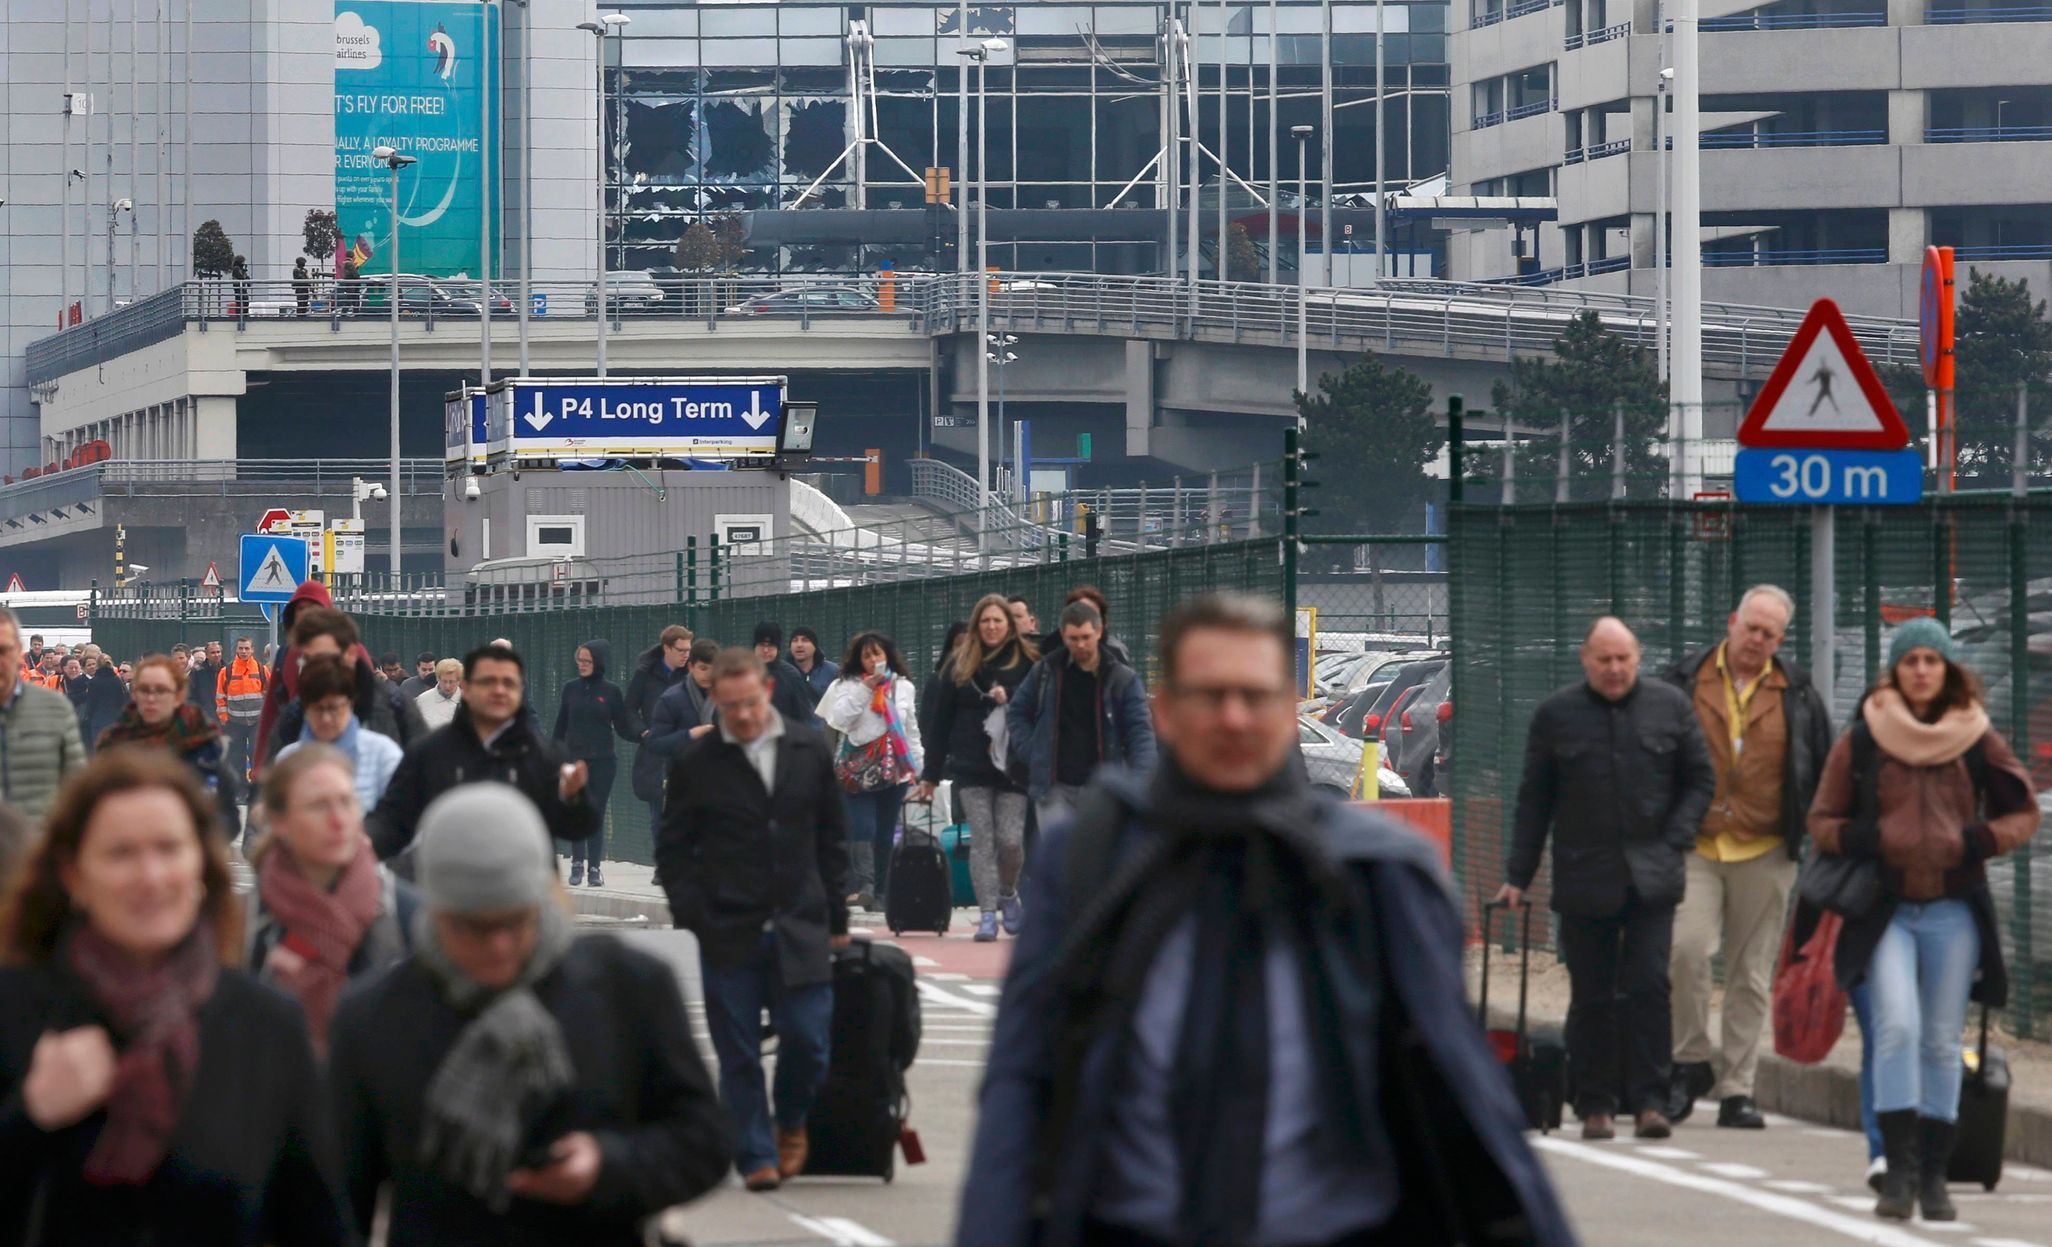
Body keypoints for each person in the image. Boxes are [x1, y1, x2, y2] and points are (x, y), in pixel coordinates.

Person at [957, 594, 1575, 1247]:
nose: (1233, 716)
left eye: (1255, 694)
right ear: (1165, 710)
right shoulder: (1092, 860)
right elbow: (1021, 1082)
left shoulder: (1377, 876)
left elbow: (1468, 1093)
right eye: (1209, 693)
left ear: (1288, 710)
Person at [330, 784, 729, 1242]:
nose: (498, 945)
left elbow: (705, 1141)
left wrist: (607, 1165)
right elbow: (337, 1202)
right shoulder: (374, 1019)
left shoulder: (627, 987)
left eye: (516, 921)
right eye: (473, 928)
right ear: (433, 909)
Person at [0, 749, 350, 1245]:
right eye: (121, 853)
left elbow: (318, 1225)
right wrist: (30, 1117)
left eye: (169, 849)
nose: (151, 876)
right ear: (74, 875)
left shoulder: (265, 1026)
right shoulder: (15, 1009)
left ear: (200, 870)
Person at [1807, 617, 2038, 1222]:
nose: (1921, 671)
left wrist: (1980, 839)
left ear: (1948, 668)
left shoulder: (1976, 734)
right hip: (1885, 907)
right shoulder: (1864, 737)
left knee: (1940, 1040)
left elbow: (2024, 811)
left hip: (1953, 908)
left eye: (1931, 661)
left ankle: (1935, 1174)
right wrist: (1863, 836)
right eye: (1910, 661)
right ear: (1896, 668)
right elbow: (1821, 821)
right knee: (1897, 1029)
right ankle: (1897, 1172)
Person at [1499, 616, 1714, 1142]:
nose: (1615, 669)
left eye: (1623, 659)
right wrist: (1517, 877)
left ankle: (1650, 1101)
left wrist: (1676, 837)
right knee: (1592, 994)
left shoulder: (1670, 707)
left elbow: (1700, 779)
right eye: (1604, 660)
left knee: (1648, 986)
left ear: (1637, 658)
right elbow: (1535, 801)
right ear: (1586, 660)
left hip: (1652, 878)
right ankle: (1594, 1103)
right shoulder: (1557, 716)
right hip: (1585, 877)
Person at [656, 648, 849, 1192]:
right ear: (714, 700)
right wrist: (692, 913)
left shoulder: (808, 747)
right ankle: (755, 1153)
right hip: (728, 928)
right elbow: (673, 848)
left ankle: (790, 1121)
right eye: (730, 705)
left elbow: (831, 837)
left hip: (801, 921)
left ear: (766, 689)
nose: (741, 715)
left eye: (750, 702)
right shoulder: (698, 762)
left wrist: (837, 913)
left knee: (809, 1041)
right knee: (738, 1052)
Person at [1658, 585, 1834, 1129]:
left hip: (1767, 848)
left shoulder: (1797, 692)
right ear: (1732, 622)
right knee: (1685, 952)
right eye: (1751, 628)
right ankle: (1689, 1062)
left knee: (1751, 974)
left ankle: (1739, 1089)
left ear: (1780, 639)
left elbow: (1822, 766)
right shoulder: (1684, 680)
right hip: (1696, 843)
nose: (1757, 640)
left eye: (1769, 634)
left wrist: (1816, 836)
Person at [245, 743, 418, 1056]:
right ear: (279, 820)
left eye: (346, 802)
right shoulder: (240, 923)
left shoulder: (407, 914)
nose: (339, 820)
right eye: (319, 806)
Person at [368, 644, 595, 863]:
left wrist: (573, 797)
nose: (498, 690)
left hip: (523, 891)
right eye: (488, 681)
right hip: (452, 886)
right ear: (466, 688)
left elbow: (577, 827)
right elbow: (394, 822)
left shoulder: (545, 755)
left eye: (509, 682)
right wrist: (362, 844)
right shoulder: (430, 752)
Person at [915, 594, 1038, 942]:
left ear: (1009, 625)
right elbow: (939, 724)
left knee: (1011, 841)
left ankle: (1007, 892)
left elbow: (1040, 710)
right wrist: (931, 774)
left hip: (1014, 766)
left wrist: (1010, 696)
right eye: (985, 621)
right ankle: (987, 914)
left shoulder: (1027, 662)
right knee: (982, 839)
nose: (992, 626)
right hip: (971, 764)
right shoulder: (959, 666)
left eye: (998, 620)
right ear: (976, 626)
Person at [1009, 599, 1157, 829]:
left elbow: (1140, 732)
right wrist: (1032, 749)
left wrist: (1141, 781)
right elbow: (1017, 711)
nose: (1080, 645)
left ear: (1098, 632)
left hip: (1103, 790)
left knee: (1098, 860)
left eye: (1086, 637)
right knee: (1057, 859)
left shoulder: (1121, 679)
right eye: (1073, 639)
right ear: (1062, 635)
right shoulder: (1046, 671)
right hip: (1054, 788)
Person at [821, 631, 923, 910]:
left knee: (886, 831)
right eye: (866, 655)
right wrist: (866, 689)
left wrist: (918, 764)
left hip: (893, 769)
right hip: (858, 771)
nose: (873, 660)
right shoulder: (846, 686)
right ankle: (865, 884)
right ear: (859, 660)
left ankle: (882, 891)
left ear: (887, 656)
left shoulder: (903, 687)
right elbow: (839, 719)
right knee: (864, 827)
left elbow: (910, 727)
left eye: (877, 653)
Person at [97, 653, 243, 840]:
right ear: (134, 693)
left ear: (178, 695)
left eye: (161, 690)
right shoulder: (114, 743)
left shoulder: (202, 745)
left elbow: (228, 816)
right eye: (144, 690)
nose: (151, 698)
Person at [263, 606, 422, 767]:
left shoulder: (395, 705)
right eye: (308, 659)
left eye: (323, 657)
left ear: (351, 655)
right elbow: (271, 783)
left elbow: (425, 776)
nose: (315, 667)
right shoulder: (294, 714)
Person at [551, 640, 640, 888]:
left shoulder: (610, 691)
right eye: (579, 660)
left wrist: (642, 734)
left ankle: (594, 868)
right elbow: (561, 724)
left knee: (597, 814)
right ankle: (577, 865)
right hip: (574, 759)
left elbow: (622, 725)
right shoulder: (570, 689)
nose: (582, 665)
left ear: (598, 662)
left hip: (603, 761)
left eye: (587, 661)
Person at [275, 653, 406, 812]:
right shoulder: (287, 759)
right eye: (317, 709)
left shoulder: (383, 754)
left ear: (351, 704)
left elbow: (400, 818)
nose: (326, 718)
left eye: (334, 708)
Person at [0, 608, 87, 823]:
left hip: (35, 845)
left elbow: (77, 788)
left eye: (3, 650)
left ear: (19, 653)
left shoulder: (55, 709)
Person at [627, 624, 695, 825]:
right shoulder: (646, 675)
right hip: (656, 757)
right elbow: (629, 709)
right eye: (681, 650)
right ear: (666, 648)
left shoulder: (691, 676)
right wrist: (642, 732)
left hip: (686, 756)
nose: (685, 655)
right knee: (659, 819)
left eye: (688, 650)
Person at [640, 638, 720, 809]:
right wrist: (690, 735)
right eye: (703, 668)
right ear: (691, 667)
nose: (708, 675)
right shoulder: (672, 699)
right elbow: (655, 743)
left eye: (713, 670)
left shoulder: (728, 698)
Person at [217, 634, 269, 803]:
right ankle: (240, 792)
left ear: (252, 649)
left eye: (247, 648)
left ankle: (256, 791)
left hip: (257, 722)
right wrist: (224, 717)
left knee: (256, 756)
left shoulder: (262, 670)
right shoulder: (227, 671)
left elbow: (269, 695)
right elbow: (220, 696)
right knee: (236, 758)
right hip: (234, 722)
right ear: (236, 649)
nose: (244, 651)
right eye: (241, 648)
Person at [753, 621, 821, 726]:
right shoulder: (742, 674)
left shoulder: (790, 675)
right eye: (762, 645)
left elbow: (801, 717)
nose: (766, 650)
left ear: (778, 648)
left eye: (770, 645)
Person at [81, 641, 129, 753]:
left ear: (97, 665)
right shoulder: (118, 681)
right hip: (116, 722)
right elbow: (124, 700)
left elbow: (90, 705)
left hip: (98, 722)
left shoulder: (93, 683)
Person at [416, 656, 465, 731]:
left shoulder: (470, 702)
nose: (447, 686)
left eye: (451, 682)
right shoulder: (422, 700)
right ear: (437, 678)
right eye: (444, 681)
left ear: (459, 681)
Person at [188, 640, 225, 714]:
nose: (216, 655)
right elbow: (189, 695)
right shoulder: (197, 672)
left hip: (225, 716)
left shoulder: (228, 670)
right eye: (213, 652)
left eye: (218, 652)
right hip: (205, 716)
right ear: (207, 655)